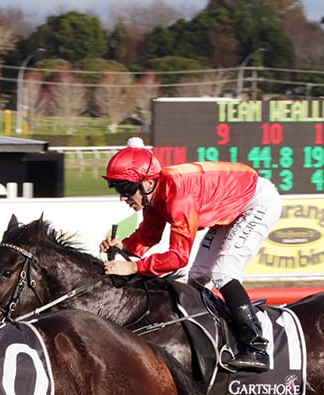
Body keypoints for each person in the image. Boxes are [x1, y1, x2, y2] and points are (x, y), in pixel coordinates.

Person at [99, 137, 280, 372]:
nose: (123, 198)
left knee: (223, 271)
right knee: (198, 276)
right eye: (119, 190)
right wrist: (122, 246)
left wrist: (134, 268)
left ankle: (257, 349)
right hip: (230, 205)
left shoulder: (177, 198)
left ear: (147, 183)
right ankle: (220, 336)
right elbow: (149, 237)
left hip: (255, 201)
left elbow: (178, 258)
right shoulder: (154, 196)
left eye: (126, 189)